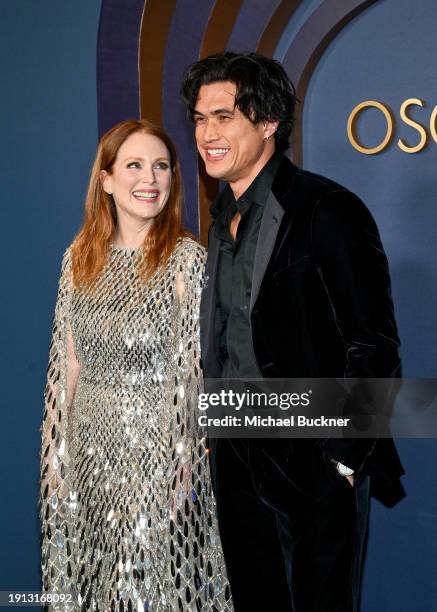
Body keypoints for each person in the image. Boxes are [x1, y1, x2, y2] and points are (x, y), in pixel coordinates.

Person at [181, 52, 404, 612]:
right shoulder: (219, 220)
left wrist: (343, 460)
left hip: (313, 458)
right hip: (235, 453)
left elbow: (374, 346)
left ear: (269, 122)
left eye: (224, 116)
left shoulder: (327, 208)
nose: (208, 133)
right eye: (200, 119)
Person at [40, 119, 233, 611]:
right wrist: (55, 454)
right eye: (134, 165)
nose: (150, 178)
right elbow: (69, 365)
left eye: (161, 166)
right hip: (88, 451)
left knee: (153, 589)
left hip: (158, 456)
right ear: (105, 179)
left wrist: (182, 466)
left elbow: (190, 373)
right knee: (96, 584)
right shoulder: (78, 257)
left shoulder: (186, 259)